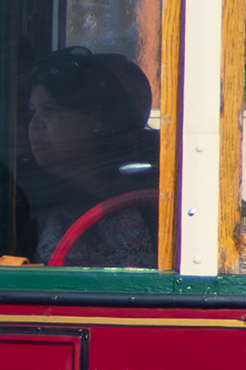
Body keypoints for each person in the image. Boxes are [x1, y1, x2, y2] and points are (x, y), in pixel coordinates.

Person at [13, 44, 160, 264]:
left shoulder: (129, 206)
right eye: (34, 111)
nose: (35, 125)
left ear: (96, 120)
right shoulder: (32, 195)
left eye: (52, 110)